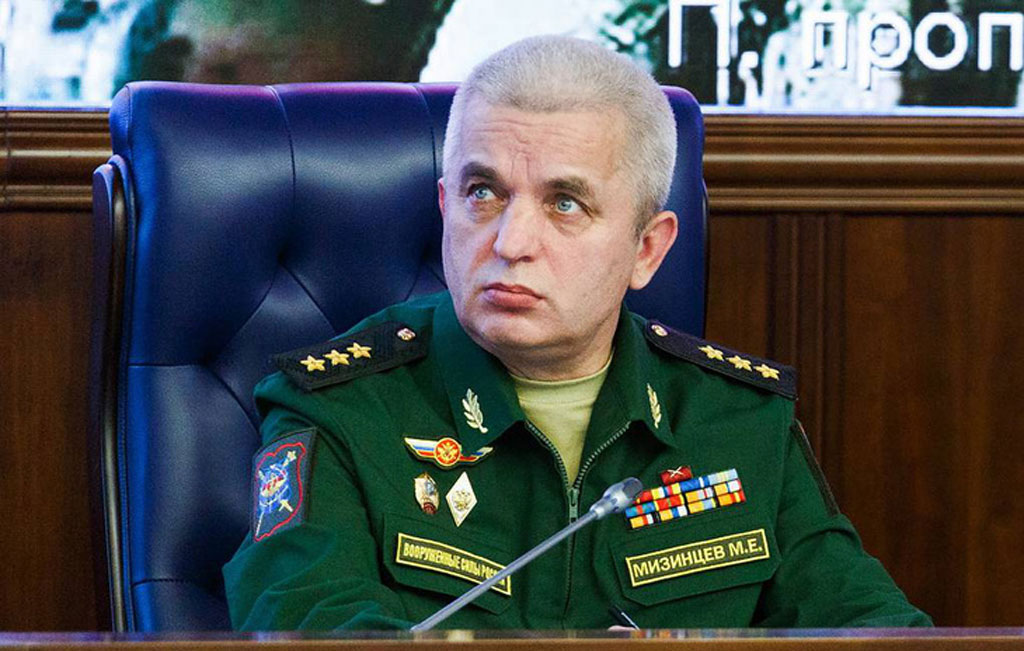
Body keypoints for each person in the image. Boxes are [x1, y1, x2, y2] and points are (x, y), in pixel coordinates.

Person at [223, 35, 930, 630]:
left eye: (565, 203)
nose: (510, 241)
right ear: (444, 206)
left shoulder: (740, 422)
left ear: (647, 248)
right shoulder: (338, 410)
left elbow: (875, 632)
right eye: (482, 193)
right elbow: (308, 627)